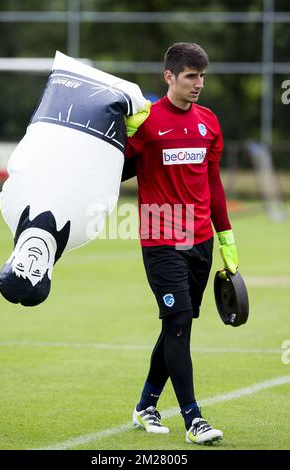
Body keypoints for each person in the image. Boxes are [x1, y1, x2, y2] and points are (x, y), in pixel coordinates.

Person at [123, 42, 238, 445]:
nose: (198, 84)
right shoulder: (146, 123)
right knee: (176, 324)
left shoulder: (209, 122)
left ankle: (146, 404)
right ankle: (194, 419)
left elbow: (213, 184)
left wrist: (226, 237)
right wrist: (125, 135)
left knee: (180, 323)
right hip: (160, 239)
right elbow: (115, 171)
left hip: (201, 239)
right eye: (190, 76)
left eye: (202, 76)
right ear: (169, 76)